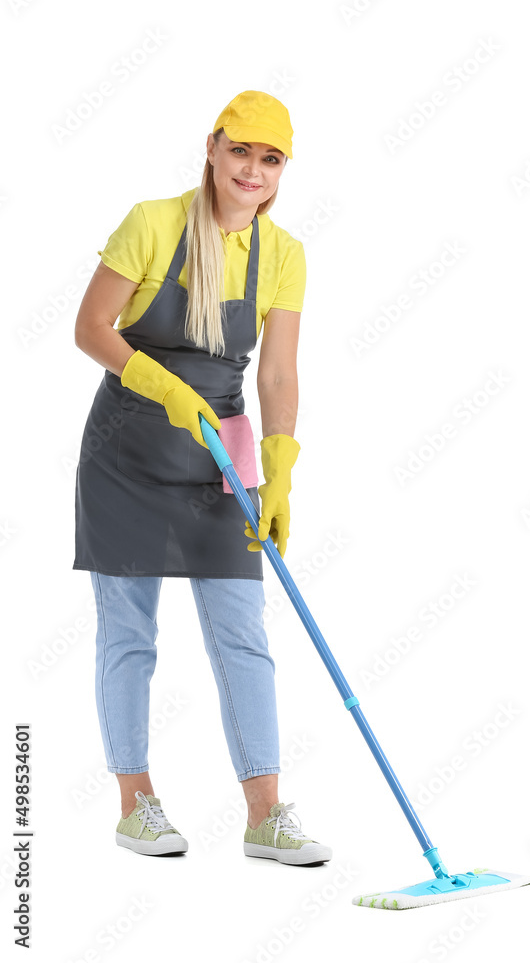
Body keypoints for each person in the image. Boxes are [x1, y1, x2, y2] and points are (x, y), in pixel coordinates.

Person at [72, 90, 332, 865]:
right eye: (241, 151)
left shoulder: (283, 254)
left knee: (243, 636)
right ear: (213, 149)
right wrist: (159, 385)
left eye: (270, 158)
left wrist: (279, 465)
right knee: (129, 635)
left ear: (283, 169)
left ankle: (265, 814)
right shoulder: (153, 222)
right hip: (125, 451)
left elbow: (278, 371)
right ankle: (136, 803)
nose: (252, 170)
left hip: (222, 449)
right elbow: (91, 328)